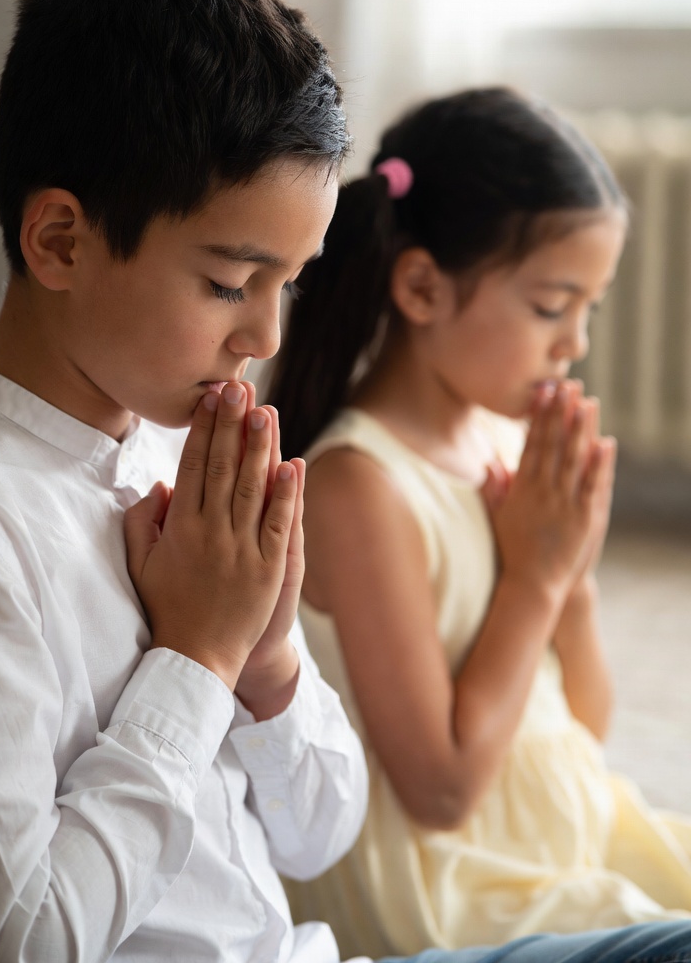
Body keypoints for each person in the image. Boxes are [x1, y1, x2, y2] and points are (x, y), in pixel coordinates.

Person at [0, 0, 689, 963]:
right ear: (59, 241)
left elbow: (324, 829)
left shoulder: (179, 453)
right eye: (232, 281)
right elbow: (19, 940)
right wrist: (198, 657)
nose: (266, 337)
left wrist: (268, 662)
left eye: (291, 281)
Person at [269, 88, 691, 959]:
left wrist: (568, 579)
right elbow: (442, 790)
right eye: (550, 305)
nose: (573, 342)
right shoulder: (360, 487)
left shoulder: (504, 442)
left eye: (590, 308)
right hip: (456, 892)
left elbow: (582, 726)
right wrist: (535, 580)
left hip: (563, 832)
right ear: (422, 286)